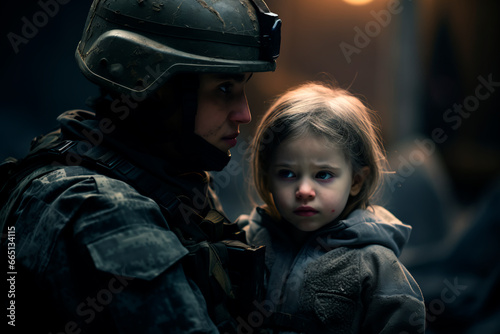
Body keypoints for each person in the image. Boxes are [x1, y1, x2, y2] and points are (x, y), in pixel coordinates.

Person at [0, 0, 281, 333]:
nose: (244, 114)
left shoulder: (164, 175)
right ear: (157, 90)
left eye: (242, 87)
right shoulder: (104, 212)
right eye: (224, 89)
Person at [237, 82, 426, 333]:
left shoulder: (375, 266)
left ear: (356, 181)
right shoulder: (247, 238)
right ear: (267, 176)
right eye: (287, 173)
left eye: (323, 175)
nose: (304, 190)